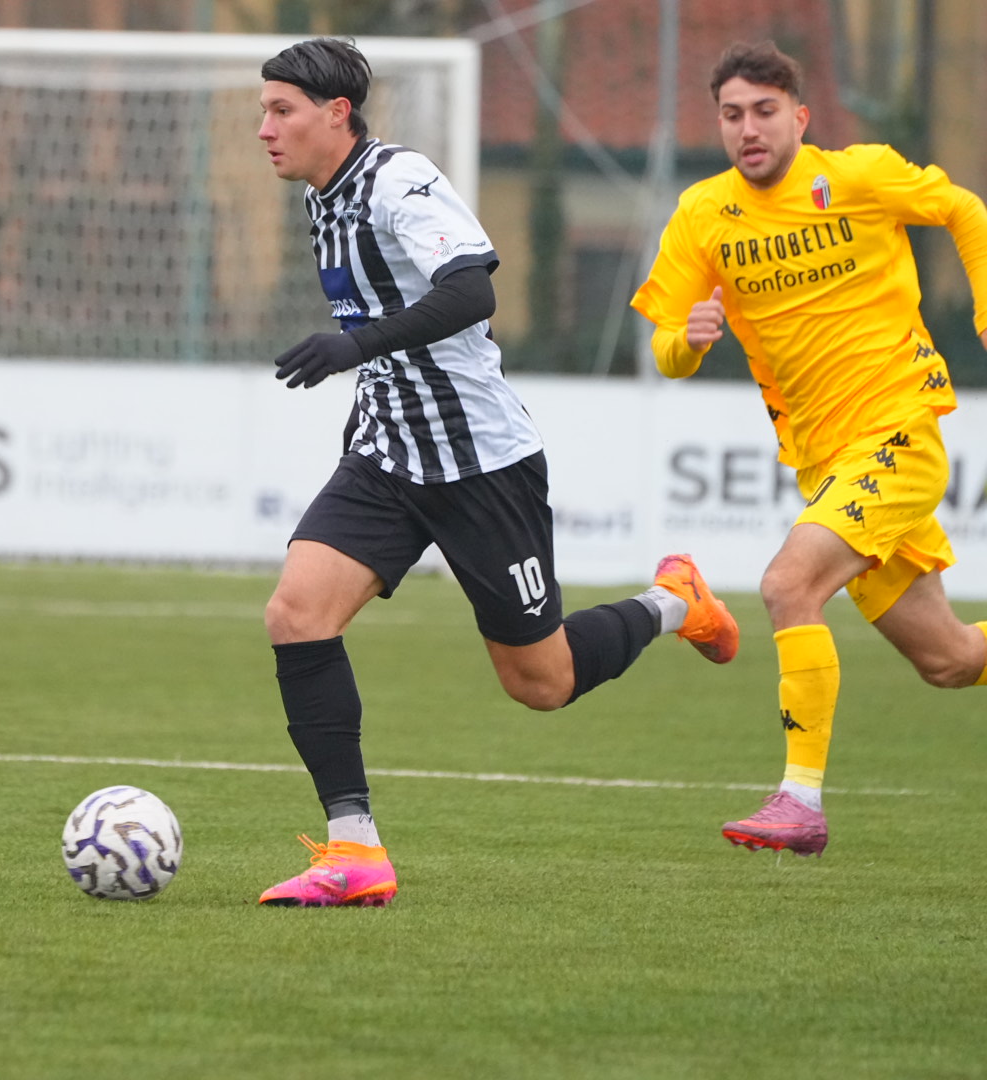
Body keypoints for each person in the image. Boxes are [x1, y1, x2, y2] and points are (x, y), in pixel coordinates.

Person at [254, 37, 739, 908]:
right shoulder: (321, 200)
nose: (265, 128)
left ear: (336, 114)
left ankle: (675, 602)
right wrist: (365, 379)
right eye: (265, 110)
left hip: (480, 462)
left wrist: (354, 347)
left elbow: (472, 291)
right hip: (387, 453)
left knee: (541, 683)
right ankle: (355, 849)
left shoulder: (400, 180)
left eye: (280, 110)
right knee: (296, 614)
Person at [632, 41, 987, 858]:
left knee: (787, 585)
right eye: (731, 115)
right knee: (950, 660)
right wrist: (688, 339)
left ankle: (800, 801)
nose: (748, 129)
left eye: (764, 112)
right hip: (826, 465)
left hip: (899, 432)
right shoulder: (703, 214)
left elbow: (963, 208)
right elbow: (667, 354)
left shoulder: (858, 177)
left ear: (800, 117)